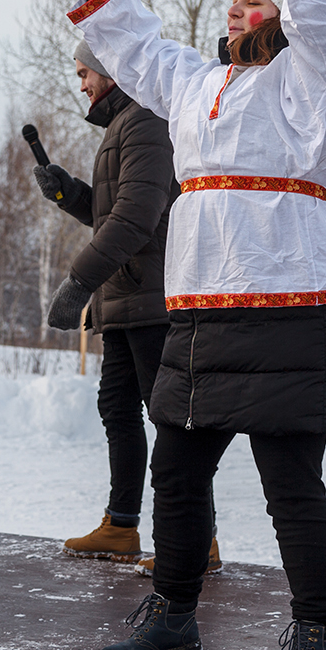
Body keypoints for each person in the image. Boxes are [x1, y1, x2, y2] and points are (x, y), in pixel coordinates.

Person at [63, 0, 326, 650]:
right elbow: (135, 49)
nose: (238, 8)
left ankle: (317, 636)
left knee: (289, 485)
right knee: (179, 467)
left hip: (287, 300)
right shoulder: (198, 84)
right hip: (200, 304)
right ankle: (172, 612)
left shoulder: (314, 80)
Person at [35, 39, 223, 574]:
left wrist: (77, 282)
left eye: (84, 73)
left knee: (169, 419)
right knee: (118, 411)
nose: (81, 84)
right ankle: (121, 525)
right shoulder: (123, 127)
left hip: (152, 299)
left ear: (109, 72)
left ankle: (197, 539)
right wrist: (68, 193)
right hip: (124, 300)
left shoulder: (146, 122)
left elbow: (136, 219)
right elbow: (113, 212)